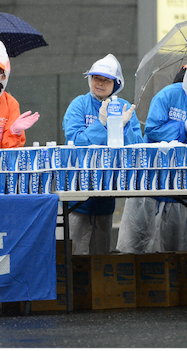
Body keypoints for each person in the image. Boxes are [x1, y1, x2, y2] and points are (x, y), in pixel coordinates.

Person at [62, 54, 143, 254]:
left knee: (101, 261)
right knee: (75, 257)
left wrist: (123, 127)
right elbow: (75, 141)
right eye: (96, 78)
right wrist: (102, 124)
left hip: (107, 195)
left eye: (106, 80)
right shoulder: (79, 105)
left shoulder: (124, 107)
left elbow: (137, 148)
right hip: (78, 196)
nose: (100, 83)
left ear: (116, 84)